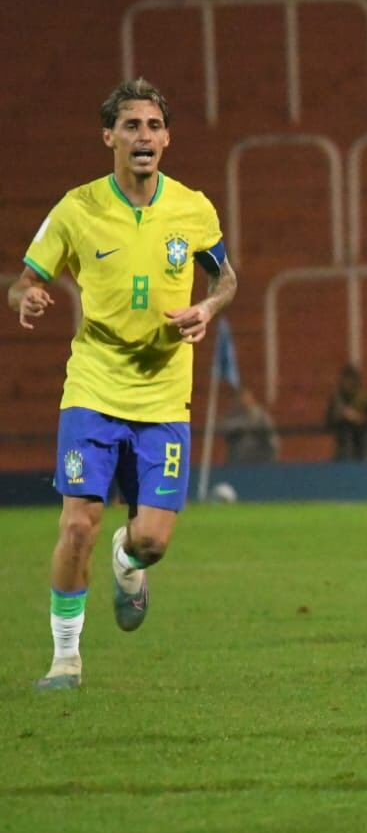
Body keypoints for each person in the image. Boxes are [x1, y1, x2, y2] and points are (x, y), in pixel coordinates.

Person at [8, 78, 237, 691]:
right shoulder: (77, 208)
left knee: (154, 541)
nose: (145, 137)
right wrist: (27, 295)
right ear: (109, 137)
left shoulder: (192, 208)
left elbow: (226, 278)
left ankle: (128, 559)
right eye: (132, 126)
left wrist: (208, 309)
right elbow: (24, 279)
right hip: (94, 386)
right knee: (76, 521)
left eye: (154, 126)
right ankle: (65, 658)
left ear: (167, 138)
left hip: (165, 393)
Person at [326, 364, 367, 461]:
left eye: (349, 380)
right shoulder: (337, 399)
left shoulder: (365, 398)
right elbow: (328, 421)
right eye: (344, 380)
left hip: (364, 442)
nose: (346, 384)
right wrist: (339, 416)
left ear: (356, 381)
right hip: (344, 441)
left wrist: (358, 417)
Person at [221, 386, 279, 465]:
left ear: (251, 399)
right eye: (241, 398)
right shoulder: (233, 416)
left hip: (258, 463)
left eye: (246, 398)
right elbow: (225, 429)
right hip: (237, 462)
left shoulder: (261, 416)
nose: (244, 401)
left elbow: (273, 440)